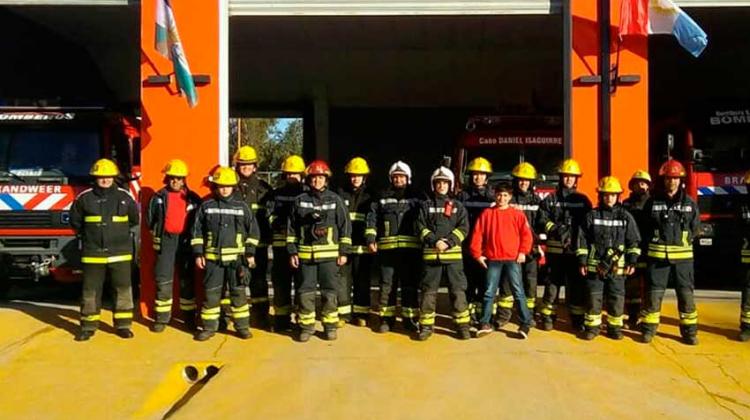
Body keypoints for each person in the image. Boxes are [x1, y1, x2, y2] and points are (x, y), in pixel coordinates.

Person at [69, 158, 139, 341]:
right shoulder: (84, 198)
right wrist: (89, 238)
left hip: (120, 252)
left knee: (123, 289)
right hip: (93, 254)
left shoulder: (125, 197)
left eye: (108, 176)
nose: (105, 180)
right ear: (95, 178)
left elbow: (134, 219)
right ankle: (88, 326)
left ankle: (123, 325)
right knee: (90, 291)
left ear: (114, 177)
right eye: (101, 177)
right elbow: (75, 222)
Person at [191, 166, 260, 341]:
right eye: (221, 185)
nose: (224, 189)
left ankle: (242, 327)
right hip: (213, 260)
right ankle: (209, 328)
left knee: (238, 294)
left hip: (237, 261)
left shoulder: (243, 207)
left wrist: (250, 253)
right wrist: (198, 253)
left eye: (227, 186)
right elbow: (196, 232)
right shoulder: (206, 206)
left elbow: (253, 233)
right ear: (215, 186)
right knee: (212, 294)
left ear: (233, 187)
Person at [287, 160, 351, 342]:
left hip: (330, 257)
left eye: (320, 178)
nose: (317, 181)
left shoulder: (335, 200)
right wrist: (292, 251)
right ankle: (306, 327)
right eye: (314, 178)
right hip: (306, 256)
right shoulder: (300, 201)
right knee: (305, 292)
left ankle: (330, 326)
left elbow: (345, 227)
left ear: (326, 179)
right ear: (309, 180)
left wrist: (343, 252)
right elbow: (291, 229)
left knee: (330, 291)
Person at [641, 159, 700, 345]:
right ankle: (649, 330)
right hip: (658, 259)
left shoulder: (690, 204)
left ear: (680, 180)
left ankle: (689, 333)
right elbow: (645, 229)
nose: (671, 182)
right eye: (668, 178)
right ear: (663, 180)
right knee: (653, 296)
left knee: (686, 297)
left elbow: (695, 228)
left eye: (675, 178)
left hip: (683, 261)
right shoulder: (652, 202)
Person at [576, 176, 641, 341]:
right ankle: (592, 328)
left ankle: (614, 328)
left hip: (617, 268)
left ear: (618, 196)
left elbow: (633, 241)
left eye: (612, 195)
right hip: (594, 265)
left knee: (616, 298)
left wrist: (632, 260)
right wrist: (582, 261)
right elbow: (582, 239)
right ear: (600, 196)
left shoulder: (626, 217)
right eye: (606, 194)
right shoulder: (591, 215)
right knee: (593, 298)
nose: (609, 198)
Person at [470, 182, 534, 339]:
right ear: (494, 195)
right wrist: (477, 254)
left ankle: (525, 323)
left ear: (510, 197)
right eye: (499, 194)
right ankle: (485, 323)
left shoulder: (517, 215)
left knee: (518, 291)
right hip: (493, 259)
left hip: (513, 259)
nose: (502, 198)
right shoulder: (486, 214)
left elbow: (527, 235)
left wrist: (523, 252)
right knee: (489, 292)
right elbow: (477, 234)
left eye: (505, 195)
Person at [366, 161, 423, 333]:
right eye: (396, 177)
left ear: (408, 178)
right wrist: (370, 237)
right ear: (391, 178)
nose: (399, 179)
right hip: (388, 251)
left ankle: (410, 318)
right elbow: (372, 217)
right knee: (387, 286)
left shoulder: (418, 196)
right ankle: (386, 319)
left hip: (410, 251)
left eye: (402, 177)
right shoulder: (382, 196)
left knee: (410, 285)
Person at [416, 166, 471, 341]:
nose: (441, 186)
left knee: (458, 291)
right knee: (428, 292)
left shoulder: (458, 207)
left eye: (445, 183)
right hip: (432, 257)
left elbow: (464, 228)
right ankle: (425, 326)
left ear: (450, 185)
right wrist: (434, 241)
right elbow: (420, 227)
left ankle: (462, 325)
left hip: (453, 258)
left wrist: (449, 242)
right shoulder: (426, 206)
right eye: (438, 183)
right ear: (434, 185)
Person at [147, 159, 202, 332]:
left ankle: (188, 320)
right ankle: (162, 319)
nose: (175, 181)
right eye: (172, 178)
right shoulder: (158, 197)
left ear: (184, 179)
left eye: (179, 178)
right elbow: (150, 221)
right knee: (163, 280)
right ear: (167, 178)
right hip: (166, 242)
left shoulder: (193, 198)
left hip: (186, 243)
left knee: (187, 281)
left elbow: (200, 222)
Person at [538, 159, 592, 331]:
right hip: (555, 251)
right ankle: (548, 317)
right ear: (560, 178)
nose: (569, 180)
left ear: (577, 179)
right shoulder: (550, 199)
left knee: (577, 286)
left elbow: (589, 224)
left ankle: (577, 319)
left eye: (572, 177)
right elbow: (541, 220)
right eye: (566, 176)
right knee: (552, 285)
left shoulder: (583, 200)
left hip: (574, 251)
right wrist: (555, 229)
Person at [496, 162, 542, 329]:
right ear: (515, 181)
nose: (524, 183)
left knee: (530, 282)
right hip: (511, 249)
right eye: (521, 180)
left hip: (531, 249)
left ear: (532, 182)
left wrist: (536, 242)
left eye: (527, 180)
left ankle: (528, 315)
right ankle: (504, 315)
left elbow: (541, 223)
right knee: (507, 282)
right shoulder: (509, 199)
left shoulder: (537, 201)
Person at [233, 145, 273, 328]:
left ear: (255, 166)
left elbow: (271, 216)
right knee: (236, 279)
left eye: (249, 164)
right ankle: (237, 317)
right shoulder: (231, 187)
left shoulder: (265, 189)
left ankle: (261, 315)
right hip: (236, 243)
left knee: (258, 280)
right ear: (237, 166)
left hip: (260, 244)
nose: (246, 167)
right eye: (242, 164)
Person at [266, 155, 306, 332]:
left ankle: (301, 319)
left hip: (301, 246)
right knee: (281, 283)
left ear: (302, 175)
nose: (292, 177)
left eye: (296, 174)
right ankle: (281, 320)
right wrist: (279, 225)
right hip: (281, 246)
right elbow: (269, 215)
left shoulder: (307, 194)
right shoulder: (275, 194)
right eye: (289, 174)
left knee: (302, 284)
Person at [456, 157, 495, 325]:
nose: (477, 177)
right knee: (468, 282)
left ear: (487, 177)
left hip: (487, 248)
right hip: (467, 246)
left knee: (487, 282)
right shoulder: (461, 196)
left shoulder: (494, 197)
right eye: (475, 174)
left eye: (481, 174)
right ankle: (470, 313)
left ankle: (485, 315)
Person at [337, 157, 375, 327]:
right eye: (352, 175)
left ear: (364, 177)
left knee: (362, 281)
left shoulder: (370, 196)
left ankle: (361, 314)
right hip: (344, 247)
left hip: (363, 246)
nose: (355, 178)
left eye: (358, 175)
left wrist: (371, 240)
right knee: (343, 280)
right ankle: (343, 314)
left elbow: (373, 219)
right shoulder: (340, 194)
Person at [622, 169, 652, 329]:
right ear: (631, 186)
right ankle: (632, 316)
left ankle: (646, 316)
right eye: (637, 183)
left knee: (649, 286)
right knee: (631, 285)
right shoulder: (625, 204)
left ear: (648, 186)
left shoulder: (653, 203)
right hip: (631, 249)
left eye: (644, 183)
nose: (640, 186)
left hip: (648, 249)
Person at [738, 170, 750, 342]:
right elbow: (738, 228)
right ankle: (747, 327)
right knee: (748, 291)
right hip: (748, 256)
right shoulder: (742, 205)